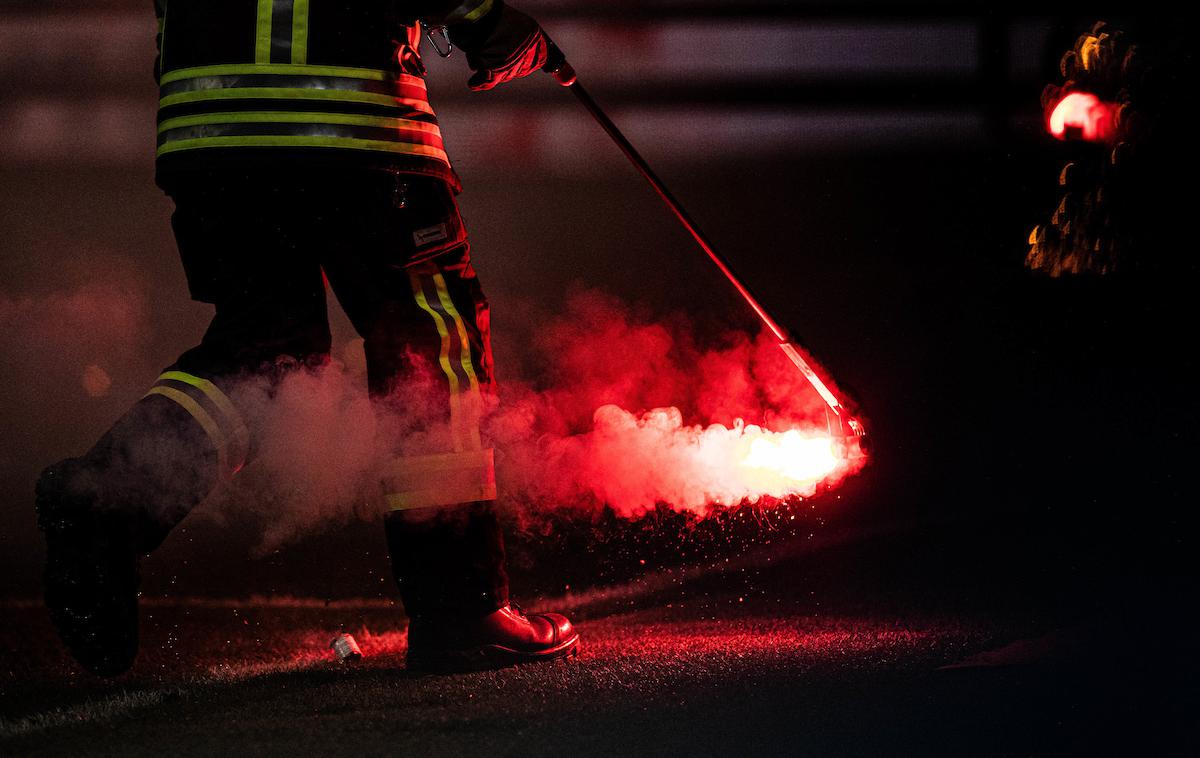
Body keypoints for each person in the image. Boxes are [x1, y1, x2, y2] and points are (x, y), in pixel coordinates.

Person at [34, 0, 578, 676]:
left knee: (267, 358)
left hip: (209, 123)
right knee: (431, 338)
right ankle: (460, 609)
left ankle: (108, 498)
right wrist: (482, 17)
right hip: (351, 114)